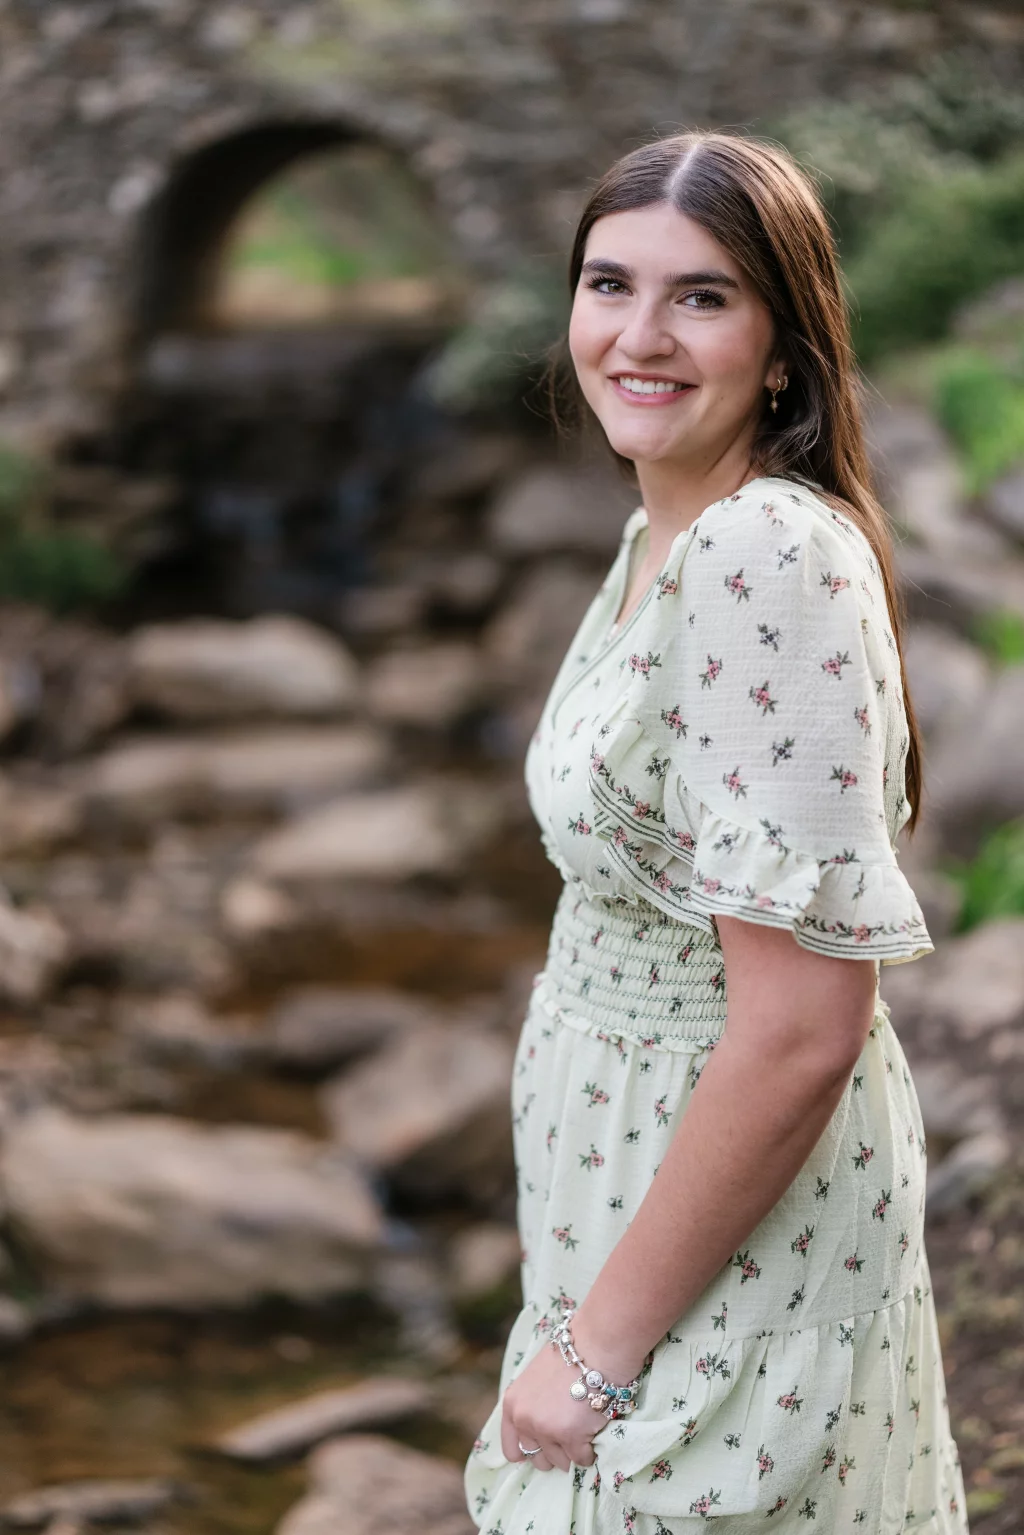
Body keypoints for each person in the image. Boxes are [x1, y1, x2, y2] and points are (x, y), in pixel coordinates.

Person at [462, 129, 970, 1534]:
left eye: (700, 296)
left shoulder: (766, 555)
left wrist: (597, 1351)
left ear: (785, 348)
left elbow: (802, 1025)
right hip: (623, 1183)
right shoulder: (663, 538)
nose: (639, 335)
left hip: (727, 1222)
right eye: (609, 284)